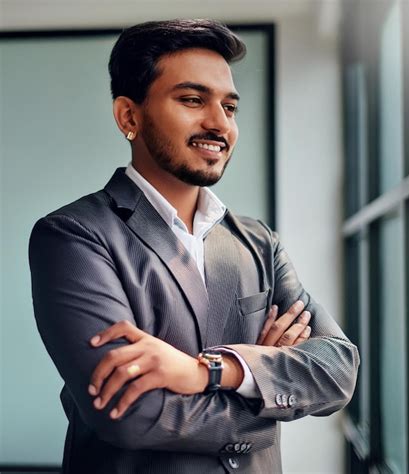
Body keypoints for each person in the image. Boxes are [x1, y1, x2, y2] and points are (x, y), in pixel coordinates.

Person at [29, 19, 360, 474]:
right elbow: (131, 414)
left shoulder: (258, 241)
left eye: (230, 106)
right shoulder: (74, 236)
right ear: (129, 116)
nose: (218, 123)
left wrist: (211, 370)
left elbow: (337, 370)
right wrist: (269, 398)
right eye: (192, 100)